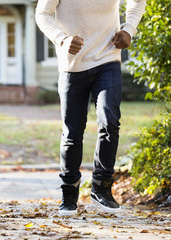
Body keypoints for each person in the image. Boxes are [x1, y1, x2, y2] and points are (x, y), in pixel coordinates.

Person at [35, 0, 146, 215]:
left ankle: (101, 187)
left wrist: (129, 29)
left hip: (108, 58)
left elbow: (138, 2)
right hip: (72, 65)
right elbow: (43, 14)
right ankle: (69, 193)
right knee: (72, 132)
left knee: (109, 122)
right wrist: (62, 39)